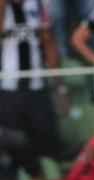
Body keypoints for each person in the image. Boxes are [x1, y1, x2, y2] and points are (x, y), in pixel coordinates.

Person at [1, 0, 66, 161]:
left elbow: (49, 43)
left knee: (46, 147)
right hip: (8, 90)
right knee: (14, 149)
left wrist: (60, 87)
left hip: (37, 88)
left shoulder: (38, 5)